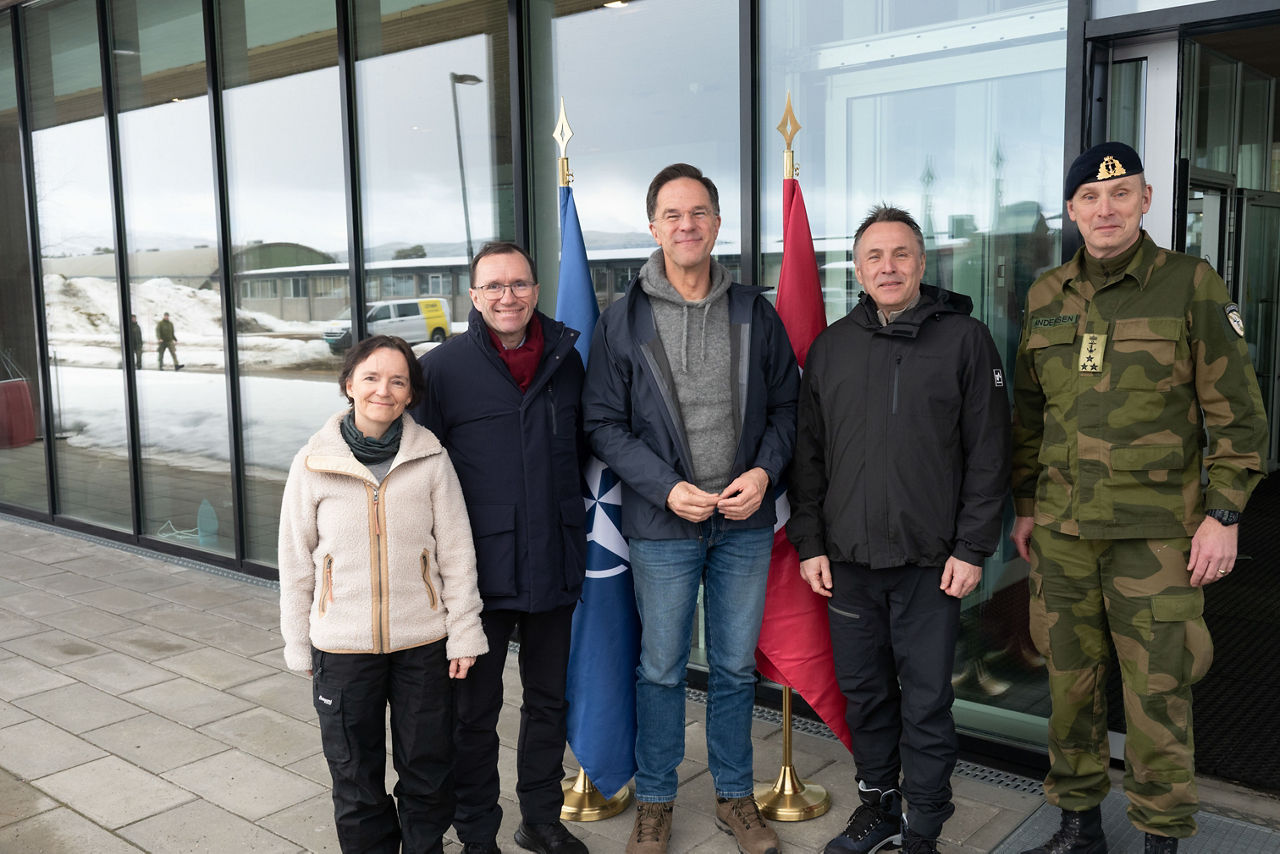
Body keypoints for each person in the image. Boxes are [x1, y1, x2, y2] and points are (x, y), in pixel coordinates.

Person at [1010, 142, 1268, 854]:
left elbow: (1238, 418)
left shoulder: (1190, 284)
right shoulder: (1045, 294)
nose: (1105, 208)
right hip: (1063, 534)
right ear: (1072, 211)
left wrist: (1224, 516)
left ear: (1146, 201)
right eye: (1090, 198)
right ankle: (1079, 826)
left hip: (1156, 537)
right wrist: (1027, 506)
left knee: (1158, 697)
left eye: (1120, 194)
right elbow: (1029, 418)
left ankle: (1160, 837)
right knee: (1070, 689)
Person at [582, 163, 799, 854]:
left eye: (699, 212)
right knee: (662, 668)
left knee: (736, 668)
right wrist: (662, 485)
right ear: (653, 226)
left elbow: (789, 407)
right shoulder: (623, 320)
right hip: (661, 526)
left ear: (716, 223)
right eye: (673, 214)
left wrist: (765, 472)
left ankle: (735, 797)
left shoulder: (753, 312)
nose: (687, 225)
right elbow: (602, 422)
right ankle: (656, 800)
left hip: (743, 524)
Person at [787, 205, 1011, 854]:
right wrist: (810, 543)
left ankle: (925, 823)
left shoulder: (965, 340)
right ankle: (878, 806)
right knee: (865, 696)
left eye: (902, 254)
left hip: (929, 565)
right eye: (875, 257)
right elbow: (810, 457)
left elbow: (989, 452)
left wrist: (972, 548)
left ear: (922, 263)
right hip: (849, 564)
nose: (889, 267)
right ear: (857, 268)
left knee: (925, 701)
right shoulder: (832, 346)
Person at [410, 241, 589, 854]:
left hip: (556, 561)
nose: (507, 297)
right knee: (473, 713)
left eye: (518, 285)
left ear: (536, 290)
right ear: (474, 296)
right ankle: (478, 831)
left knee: (548, 704)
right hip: (478, 573)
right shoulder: (442, 369)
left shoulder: (568, 359)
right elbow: (423, 476)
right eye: (493, 287)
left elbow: (581, 452)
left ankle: (541, 819)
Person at [278, 334, 488, 854]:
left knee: (427, 769)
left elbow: (457, 555)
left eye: (397, 380)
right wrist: (298, 640)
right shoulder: (312, 463)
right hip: (342, 647)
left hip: (421, 643)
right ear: (349, 384)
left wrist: (464, 633)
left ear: (411, 393)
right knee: (354, 776)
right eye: (371, 377)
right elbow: (296, 562)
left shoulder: (432, 459)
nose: (383, 390)